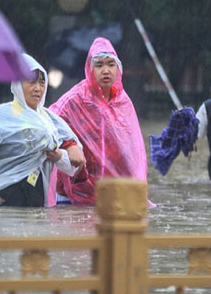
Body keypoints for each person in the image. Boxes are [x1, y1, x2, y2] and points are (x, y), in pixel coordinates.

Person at [0, 54, 85, 207]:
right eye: (31, 82)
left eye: (42, 82)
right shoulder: (2, 114)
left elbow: (74, 164)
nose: (38, 88)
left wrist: (59, 155)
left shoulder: (50, 119)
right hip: (4, 194)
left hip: (36, 195)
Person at [49, 37, 147, 205]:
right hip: (72, 195)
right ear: (90, 69)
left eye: (110, 64)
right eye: (99, 65)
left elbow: (133, 151)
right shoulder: (75, 99)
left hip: (111, 196)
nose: (106, 70)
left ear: (118, 68)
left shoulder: (123, 102)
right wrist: (69, 145)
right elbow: (48, 122)